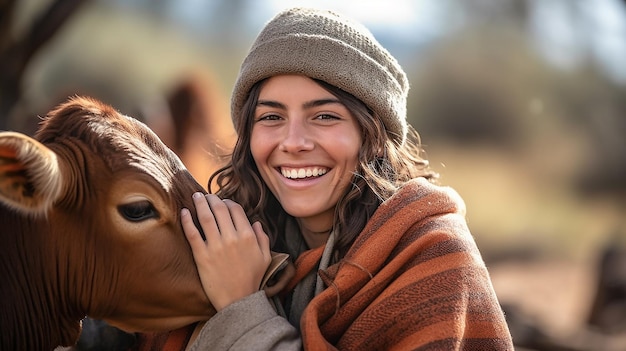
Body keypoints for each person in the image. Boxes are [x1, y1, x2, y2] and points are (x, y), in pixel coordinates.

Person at [180, 7, 514, 350]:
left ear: (372, 135)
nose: (293, 142)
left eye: (324, 116)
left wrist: (242, 310)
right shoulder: (230, 244)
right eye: (271, 116)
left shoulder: (434, 257)